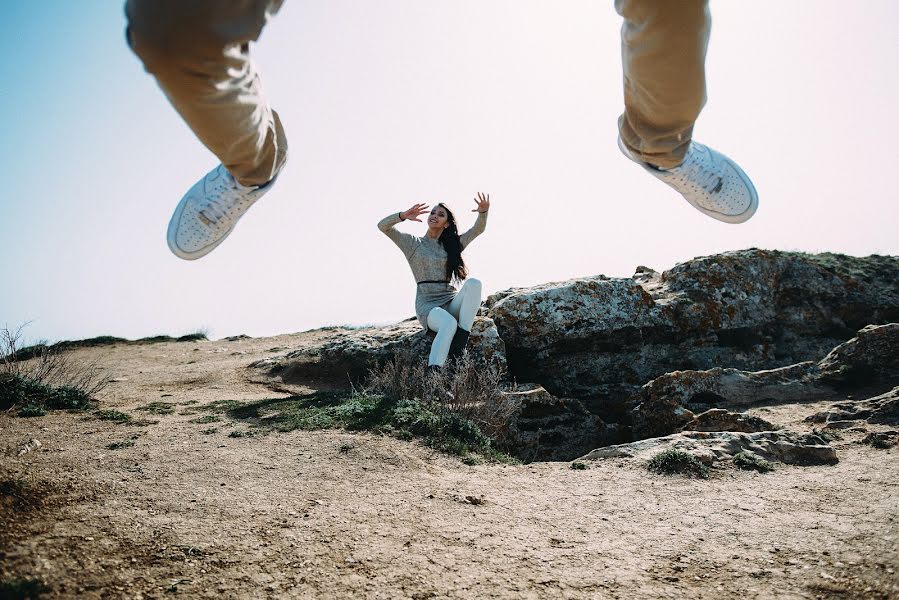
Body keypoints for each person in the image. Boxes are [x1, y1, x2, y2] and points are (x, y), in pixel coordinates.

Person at [125, 0, 757, 261]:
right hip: (424, 300)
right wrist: (402, 217)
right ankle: (251, 167)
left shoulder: (448, 247)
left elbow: (473, 237)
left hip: (444, 296)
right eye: (435, 223)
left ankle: (661, 146)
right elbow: (385, 235)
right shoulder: (423, 248)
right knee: (174, 25)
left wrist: (476, 218)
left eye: (437, 222)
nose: (435, 225)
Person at [378, 194, 490, 368]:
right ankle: (434, 375)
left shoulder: (453, 245)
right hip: (428, 306)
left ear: (446, 223)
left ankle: (460, 343)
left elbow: (478, 230)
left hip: (451, 300)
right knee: (448, 323)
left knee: (474, 284)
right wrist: (403, 216)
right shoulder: (413, 243)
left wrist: (483, 213)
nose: (434, 215)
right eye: (433, 212)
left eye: (440, 214)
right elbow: (383, 226)